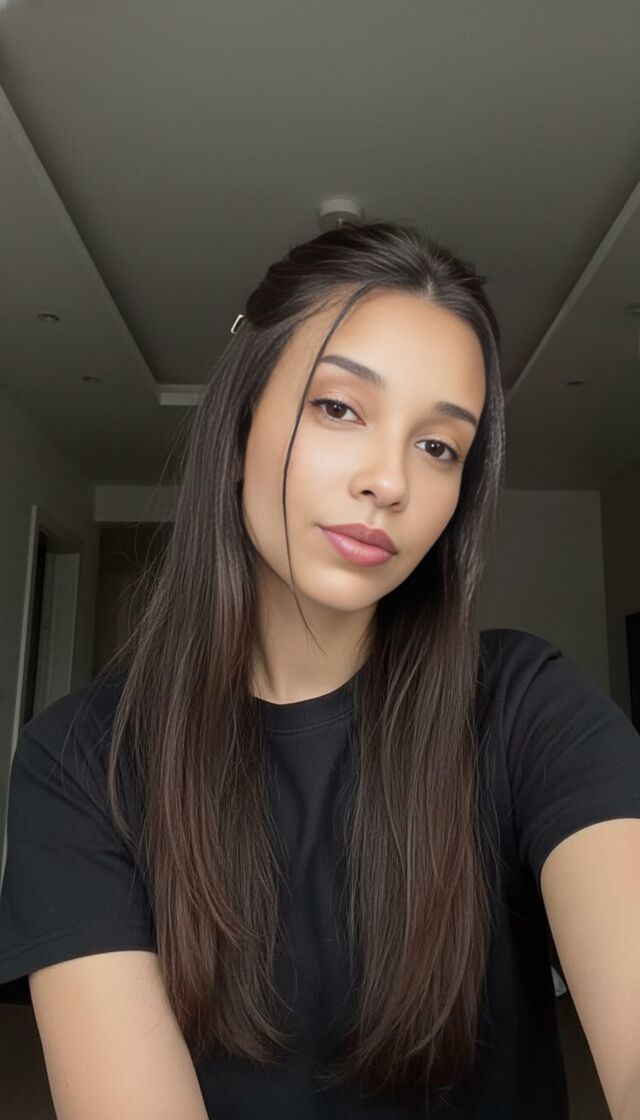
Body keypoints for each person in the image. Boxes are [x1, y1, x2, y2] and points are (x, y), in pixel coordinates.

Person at [1, 220, 640, 1120]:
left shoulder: (528, 708)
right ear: (239, 432)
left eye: (439, 446)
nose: (390, 481)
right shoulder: (80, 761)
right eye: (339, 408)